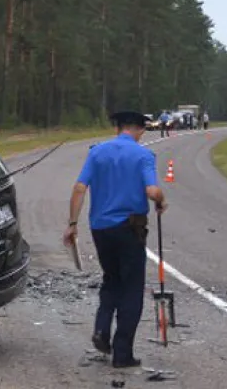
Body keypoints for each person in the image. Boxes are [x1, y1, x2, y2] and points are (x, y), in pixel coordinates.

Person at [64, 111, 167, 368]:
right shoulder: (143, 155)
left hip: (101, 228)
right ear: (140, 130)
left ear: (118, 128)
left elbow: (79, 188)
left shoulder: (97, 152)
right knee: (132, 288)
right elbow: (152, 190)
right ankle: (123, 354)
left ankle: (101, 329)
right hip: (130, 229)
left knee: (111, 280)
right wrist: (161, 200)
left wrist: (72, 224)